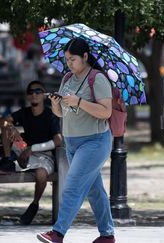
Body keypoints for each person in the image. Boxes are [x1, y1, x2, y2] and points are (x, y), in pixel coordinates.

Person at [37, 37, 115, 243]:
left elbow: (106, 112)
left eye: (72, 59)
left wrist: (79, 101)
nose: (68, 63)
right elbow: (62, 113)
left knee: (72, 185)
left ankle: (58, 233)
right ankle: (107, 235)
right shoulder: (67, 79)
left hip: (95, 142)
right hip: (72, 143)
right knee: (95, 190)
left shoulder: (97, 78)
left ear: (85, 57)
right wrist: (55, 104)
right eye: (66, 60)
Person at [0, 80, 62, 225]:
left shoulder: (50, 115)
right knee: (6, 128)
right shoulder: (24, 112)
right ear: (27, 96)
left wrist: (32, 149)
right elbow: (2, 121)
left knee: (40, 174)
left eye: (38, 91)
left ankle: (34, 204)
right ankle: (8, 160)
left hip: (44, 155)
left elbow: (58, 141)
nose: (34, 94)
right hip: (24, 150)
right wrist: (11, 126)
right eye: (31, 92)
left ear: (44, 95)